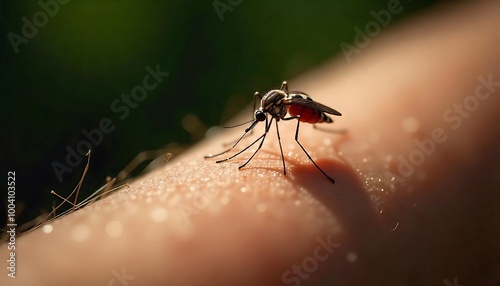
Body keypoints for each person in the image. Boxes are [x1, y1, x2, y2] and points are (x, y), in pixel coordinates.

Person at [2, 1, 499, 285]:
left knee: (293, 137)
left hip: (317, 125)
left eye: (268, 112)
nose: (267, 117)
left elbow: (288, 118)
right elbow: (270, 120)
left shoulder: (286, 109)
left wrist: (311, 124)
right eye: (271, 111)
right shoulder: (276, 107)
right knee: (276, 136)